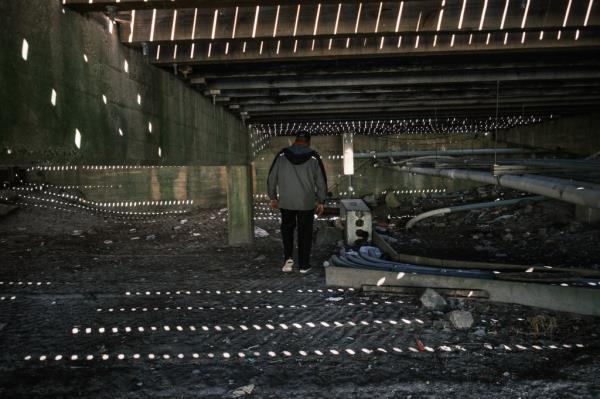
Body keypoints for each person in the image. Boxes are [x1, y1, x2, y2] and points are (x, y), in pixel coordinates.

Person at [267, 132, 327, 274]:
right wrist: (321, 200)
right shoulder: (313, 157)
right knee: (305, 233)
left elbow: (271, 178)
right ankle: (303, 265)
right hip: (306, 203)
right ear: (308, 142)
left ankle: (288, 260)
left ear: (295, 141)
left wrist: (273, 197)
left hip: (286, 202)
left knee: (287, 230)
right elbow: (321, 181)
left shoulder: (281, 155)